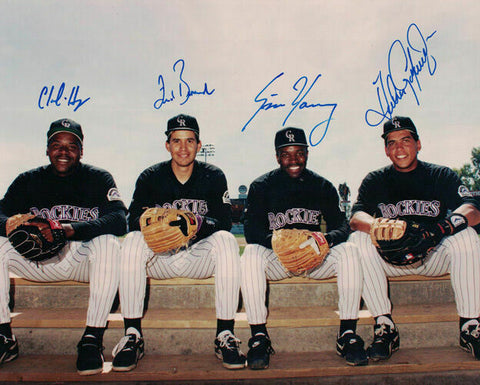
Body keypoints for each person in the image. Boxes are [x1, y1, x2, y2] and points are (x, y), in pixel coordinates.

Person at [113, 113, 244, 372]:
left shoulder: (213, 176)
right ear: (167, 145)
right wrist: (159, 221)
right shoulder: (150, 176)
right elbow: (133, 220)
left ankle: (225, 335)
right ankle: (132, 334)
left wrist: (195, 223)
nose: (183, 148)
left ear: (198, 144)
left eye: (189, 141)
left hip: (197, 257)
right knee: (132, 241)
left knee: (227, 241)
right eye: (176, 141)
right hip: (160, 258)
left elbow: (224, 220)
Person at [0, 118, 127, 375]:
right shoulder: (27, 180)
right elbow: (1, 213)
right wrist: (10, 225)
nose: (64, 151)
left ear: (81, 151)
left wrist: (70, 229)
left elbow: (119, 219)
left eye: (71, 146)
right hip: (36, 259)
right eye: (57, 145)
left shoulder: (98, 178)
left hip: (79, 258)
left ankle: (92, 338)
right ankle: (3, 337)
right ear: (47, 149)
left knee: (108, 244)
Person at [349, 116, 480, 361]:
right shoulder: (375, 180)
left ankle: (470, 325)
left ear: (418, 144)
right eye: (392, 143)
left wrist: (438, 231)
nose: (400, 148)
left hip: (433, 254)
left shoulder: (440, 175)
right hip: (392, 258)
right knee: (358, 240)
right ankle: (384, 325)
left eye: (406, 140)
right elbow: (356, 217)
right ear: (386, 150)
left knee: (467, 235)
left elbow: (473, 209)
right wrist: (380, 226)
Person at [241, 127, 366, 369]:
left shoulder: (322, 185)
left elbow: (342, 225)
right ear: (277, 157)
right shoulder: (261, 186)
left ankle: (347, 334)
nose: (293, 160)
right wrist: (278, 244)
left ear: (307, 153)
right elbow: (250, 231)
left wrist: (324, 240)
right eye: (286, 154)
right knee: (251, 255)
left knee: (349, 251)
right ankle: (258, 336)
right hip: (278, 259)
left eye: (299, 153)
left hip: (314, 259)